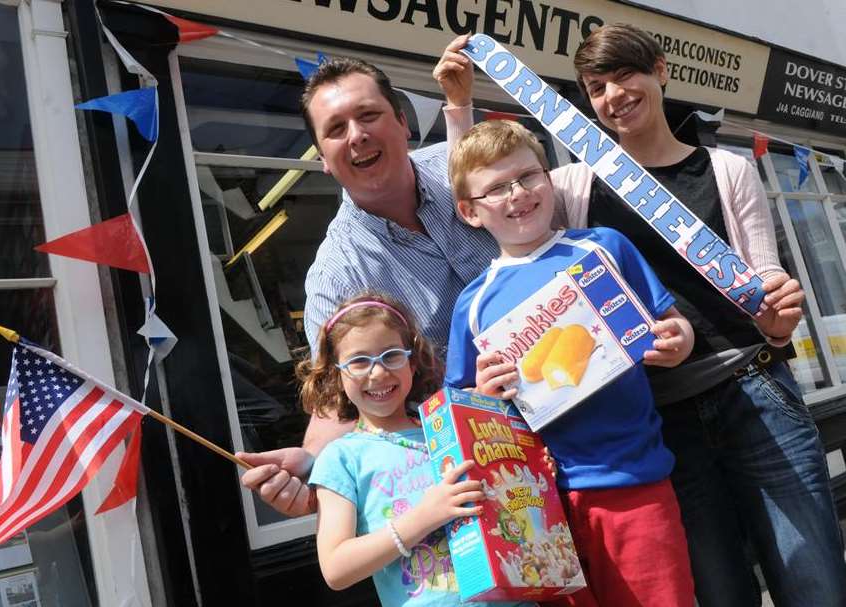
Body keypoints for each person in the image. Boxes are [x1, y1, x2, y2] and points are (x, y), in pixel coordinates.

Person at [444, 24, 845, 607]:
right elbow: (485, 183)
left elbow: (763, 285)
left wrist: (779, 317)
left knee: (811, 579)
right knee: (717, 589)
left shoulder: (727, 169)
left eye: (625, 74)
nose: (613, 95)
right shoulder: (569, 186)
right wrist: (459, 106)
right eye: (596, 86)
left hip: (751, 388)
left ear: (660, 70)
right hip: (659, 419)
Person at [237, 41, 500, 515]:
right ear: (321, 156)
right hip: (485, 471)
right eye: (336, 129)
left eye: (369, 115)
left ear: (402, 121)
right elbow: (337, 400)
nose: (356, 135)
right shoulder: (336, 278)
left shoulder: (464, 166)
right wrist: (314, 465)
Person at [445, 118, 695, 606]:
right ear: (470, 212)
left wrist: (677, 342)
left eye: (527, 176)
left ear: (549, 178)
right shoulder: (472, 305)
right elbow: (466, 415)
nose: (517, 193)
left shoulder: (601, 247)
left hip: (633, 484)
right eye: (496, 188)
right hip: (535, 506)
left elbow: (673, 324)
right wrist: (483, 394)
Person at [302, 291, 532, 607]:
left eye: (392, 355)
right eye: (358, 361)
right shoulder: (340, 458)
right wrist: (424, 517)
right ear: (335, 375)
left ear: (412, 362)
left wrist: (532, 470)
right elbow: (336, 568)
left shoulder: (449, 423)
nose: (379, 372)